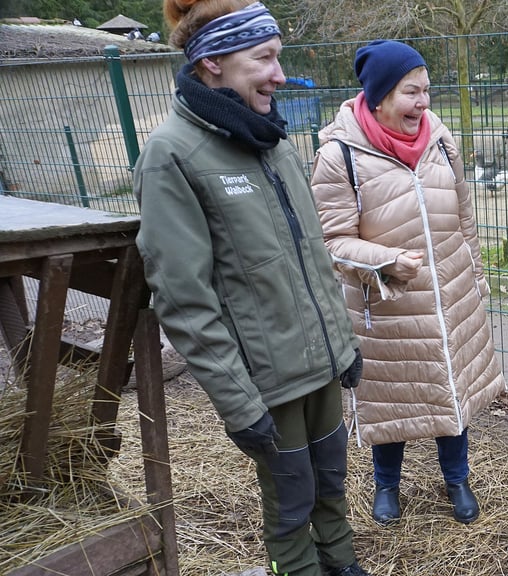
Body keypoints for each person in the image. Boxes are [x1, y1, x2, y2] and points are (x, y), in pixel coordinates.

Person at [132, 2, 370, 575]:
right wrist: (239, 404)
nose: (279, 74)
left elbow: (311, 257)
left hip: (320, 364)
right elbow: (184, 300)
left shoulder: (271, 141)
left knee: (331, 484)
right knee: (291, 503)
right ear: (212, 62)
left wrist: (343, 343)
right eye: (263, 58)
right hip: (269, 384)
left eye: (278, 56)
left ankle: (341, 561)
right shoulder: (172, 156)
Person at [310, 40, 505, 526]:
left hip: (449, 295)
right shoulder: (340, 156)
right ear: (378, 97)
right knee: (391, 397)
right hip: (387, 303)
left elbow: (464, 218)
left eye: (427, 91)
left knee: (451, 391)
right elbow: (330, 241)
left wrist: (475, 280)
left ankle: (457, 479)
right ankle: (387, 487)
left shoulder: (441, 141)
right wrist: (384, 260)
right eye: (411, 92)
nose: (424, 103)